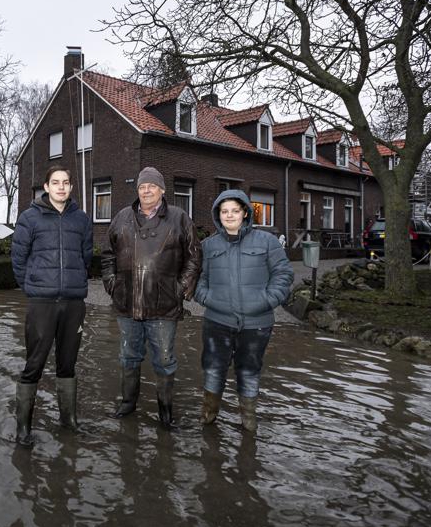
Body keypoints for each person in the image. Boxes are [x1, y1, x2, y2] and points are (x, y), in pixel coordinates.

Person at [101, 167, 202, 428]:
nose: (146, 190)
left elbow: (194, 257)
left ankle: (165, 412)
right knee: (128, 357)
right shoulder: (122, 217)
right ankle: (128, 404)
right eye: (142, 187)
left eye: (152, 186)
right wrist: (111, 283)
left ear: (162, 190)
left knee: (165, 360)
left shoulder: (180, 218)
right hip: (127, 304)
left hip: (164, 306)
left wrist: (181, 289)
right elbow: (107, 254)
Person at [194, 190, 293, 432]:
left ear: (245, 212)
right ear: (218, 215)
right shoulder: (208, 246)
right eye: (224, 211)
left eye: (235, 211)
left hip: (256, 324)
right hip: (217, 321)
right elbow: (197, 279)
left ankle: (249, 420)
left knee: (249, 370)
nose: (229, 216)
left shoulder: (267, 242)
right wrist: (208, 298)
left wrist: (267, 300)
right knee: (213, 369)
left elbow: (283, 274)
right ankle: (208, 415)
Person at [10, 166, 93, 446]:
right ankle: (23, 429)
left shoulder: (81, 219)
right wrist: (33, 287)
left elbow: (85, 256)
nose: (61, 187)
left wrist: (76, 283)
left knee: (67, 365)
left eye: (66, 183)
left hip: (73, 304)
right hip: (41, 303)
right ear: (46, 186)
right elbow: (18, 261)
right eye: (55, 182)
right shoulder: (29, 218)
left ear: (71, 187)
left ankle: (68, 421)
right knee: (33, 364)